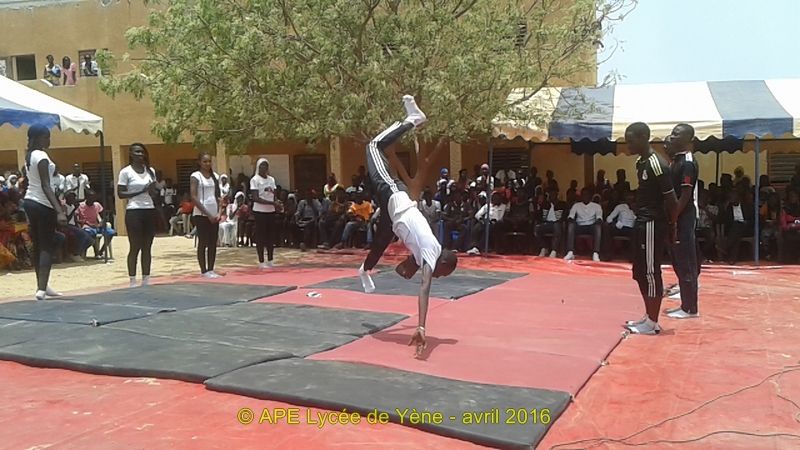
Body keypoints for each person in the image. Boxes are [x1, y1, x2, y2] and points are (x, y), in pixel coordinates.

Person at [356, 95, 458, 358]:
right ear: (443, 263)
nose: (440, 277)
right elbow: (424, 288)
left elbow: (404, 271)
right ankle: (414, 120)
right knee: (373, 145)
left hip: (395, 217)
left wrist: (408, 266)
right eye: (443, 274)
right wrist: (422, 326)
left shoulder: (426, 252)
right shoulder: (431, 253)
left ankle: (365, 269)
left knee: (380, 241)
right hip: (396, 199)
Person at [624, 122, 678, 335]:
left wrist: (671, 227)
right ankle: (648, 316)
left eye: (631, 140)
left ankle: (653, 322)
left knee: (650, 271)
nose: (628, 144)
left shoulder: (657, 164)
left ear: (643, 137)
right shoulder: (640, 162)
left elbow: (671, 201)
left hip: (653, 223)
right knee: (639, 271)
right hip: (641, 221)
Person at [22, 125, 66, 300]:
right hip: (42, 203)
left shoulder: (29, 156)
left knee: (38, 245)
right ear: (38, 138)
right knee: (46, 246)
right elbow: (46, 185)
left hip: (30, 201)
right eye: (46, 137)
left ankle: (43, 285)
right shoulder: (41, 156)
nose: (49, 140)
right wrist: (59, 210)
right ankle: (41, 289)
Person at [662, 124, 700, 319]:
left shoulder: (687, 163)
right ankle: (685, 302)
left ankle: (690, 308)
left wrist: (674, 218)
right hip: (675, 216)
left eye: (677, 135)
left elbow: (685, 195)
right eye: (673, 133)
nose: (673, 137)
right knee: (678, 260)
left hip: (683, 216)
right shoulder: (675, 161)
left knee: (686, 261)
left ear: (688, 139)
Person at [118, 143, 159, 288]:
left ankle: (146, 278)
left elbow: (153, 192)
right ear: (131, 154)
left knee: (147, 246)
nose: (140, 154)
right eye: (137, 152)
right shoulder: (126, 172)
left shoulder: (150, 171)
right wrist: (142, 190)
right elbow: (121, 193)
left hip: (149, 209)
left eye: (142, 152)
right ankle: (132, 280)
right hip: (134, 210)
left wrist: (153, 190)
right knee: (135, 246)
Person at [190, 152, 223, 278]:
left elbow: (219, 196)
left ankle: (211, 269)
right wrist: (207, 214)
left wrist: (219, 212)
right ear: (199, 162)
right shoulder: (196, 176)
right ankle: (204, 270)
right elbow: (194, 197)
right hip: (201, 214)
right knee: (203, 242)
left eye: (209, 161)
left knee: (213, 242)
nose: (208, 164)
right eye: (205, 161)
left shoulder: (215, 176)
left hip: (214, 213)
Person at [250, 158, 278, 269]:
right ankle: (261, 261)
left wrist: (276, 203)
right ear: (258, 167)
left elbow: (274, 194)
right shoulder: (255, 180)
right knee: (261, 237)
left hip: (270, 211)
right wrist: (272, 202)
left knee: (271, 236)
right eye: (262, 166)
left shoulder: (271, 180)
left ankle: (270, 259)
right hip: (259, 211)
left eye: (266, 166)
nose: (264, 168)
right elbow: (256, 198)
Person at [563, 188, 603, 262]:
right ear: (581, 196)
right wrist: (571, 220)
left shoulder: (596, 206)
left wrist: (598, 221)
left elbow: (599, 218)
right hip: (579, 226)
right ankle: (570, 251)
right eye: (583, 194)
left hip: (591, 226)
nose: (585, 196)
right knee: (571, 225)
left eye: (587, 194)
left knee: (598, 227)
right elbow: (571, 216)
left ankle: (595, 253)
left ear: (590, 196)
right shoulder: (576, 205)